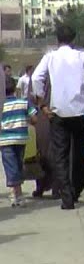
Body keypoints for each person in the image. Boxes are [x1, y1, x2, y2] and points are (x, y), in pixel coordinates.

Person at [30, 24, 84, 210]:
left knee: (60, 155)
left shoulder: (50, 57)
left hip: (58, 112)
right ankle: (76, 190)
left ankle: (66, 197)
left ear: (57, 39)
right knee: (80, 154)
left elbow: (35, 78)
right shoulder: (82, 56)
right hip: (81, 112)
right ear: (73, 39)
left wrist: (42, 104)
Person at [2, 76, 38, 207]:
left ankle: (14, 194)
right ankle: (19, 193)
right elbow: (35, 119)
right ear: (15, 89)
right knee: (18, 164)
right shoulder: (24, 102)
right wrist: (25, 121)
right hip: (21, 139)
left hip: (5, 140)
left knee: (10, 166)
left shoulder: (1, 105)